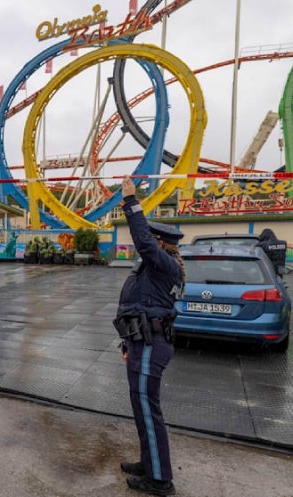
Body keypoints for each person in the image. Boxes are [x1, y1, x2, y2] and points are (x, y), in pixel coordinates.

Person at [113, 176, 184, 496]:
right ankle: (150, 462)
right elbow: (136, 305)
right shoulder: (155, 269)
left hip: (151, 345)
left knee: (148, 409)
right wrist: (127, 342)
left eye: (151, 240)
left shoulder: (164, 265)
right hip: (142, 342)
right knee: (142, 407)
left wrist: (131, 201)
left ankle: (160, 480)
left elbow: (141, 239)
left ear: (160, 242)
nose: (146, 245)